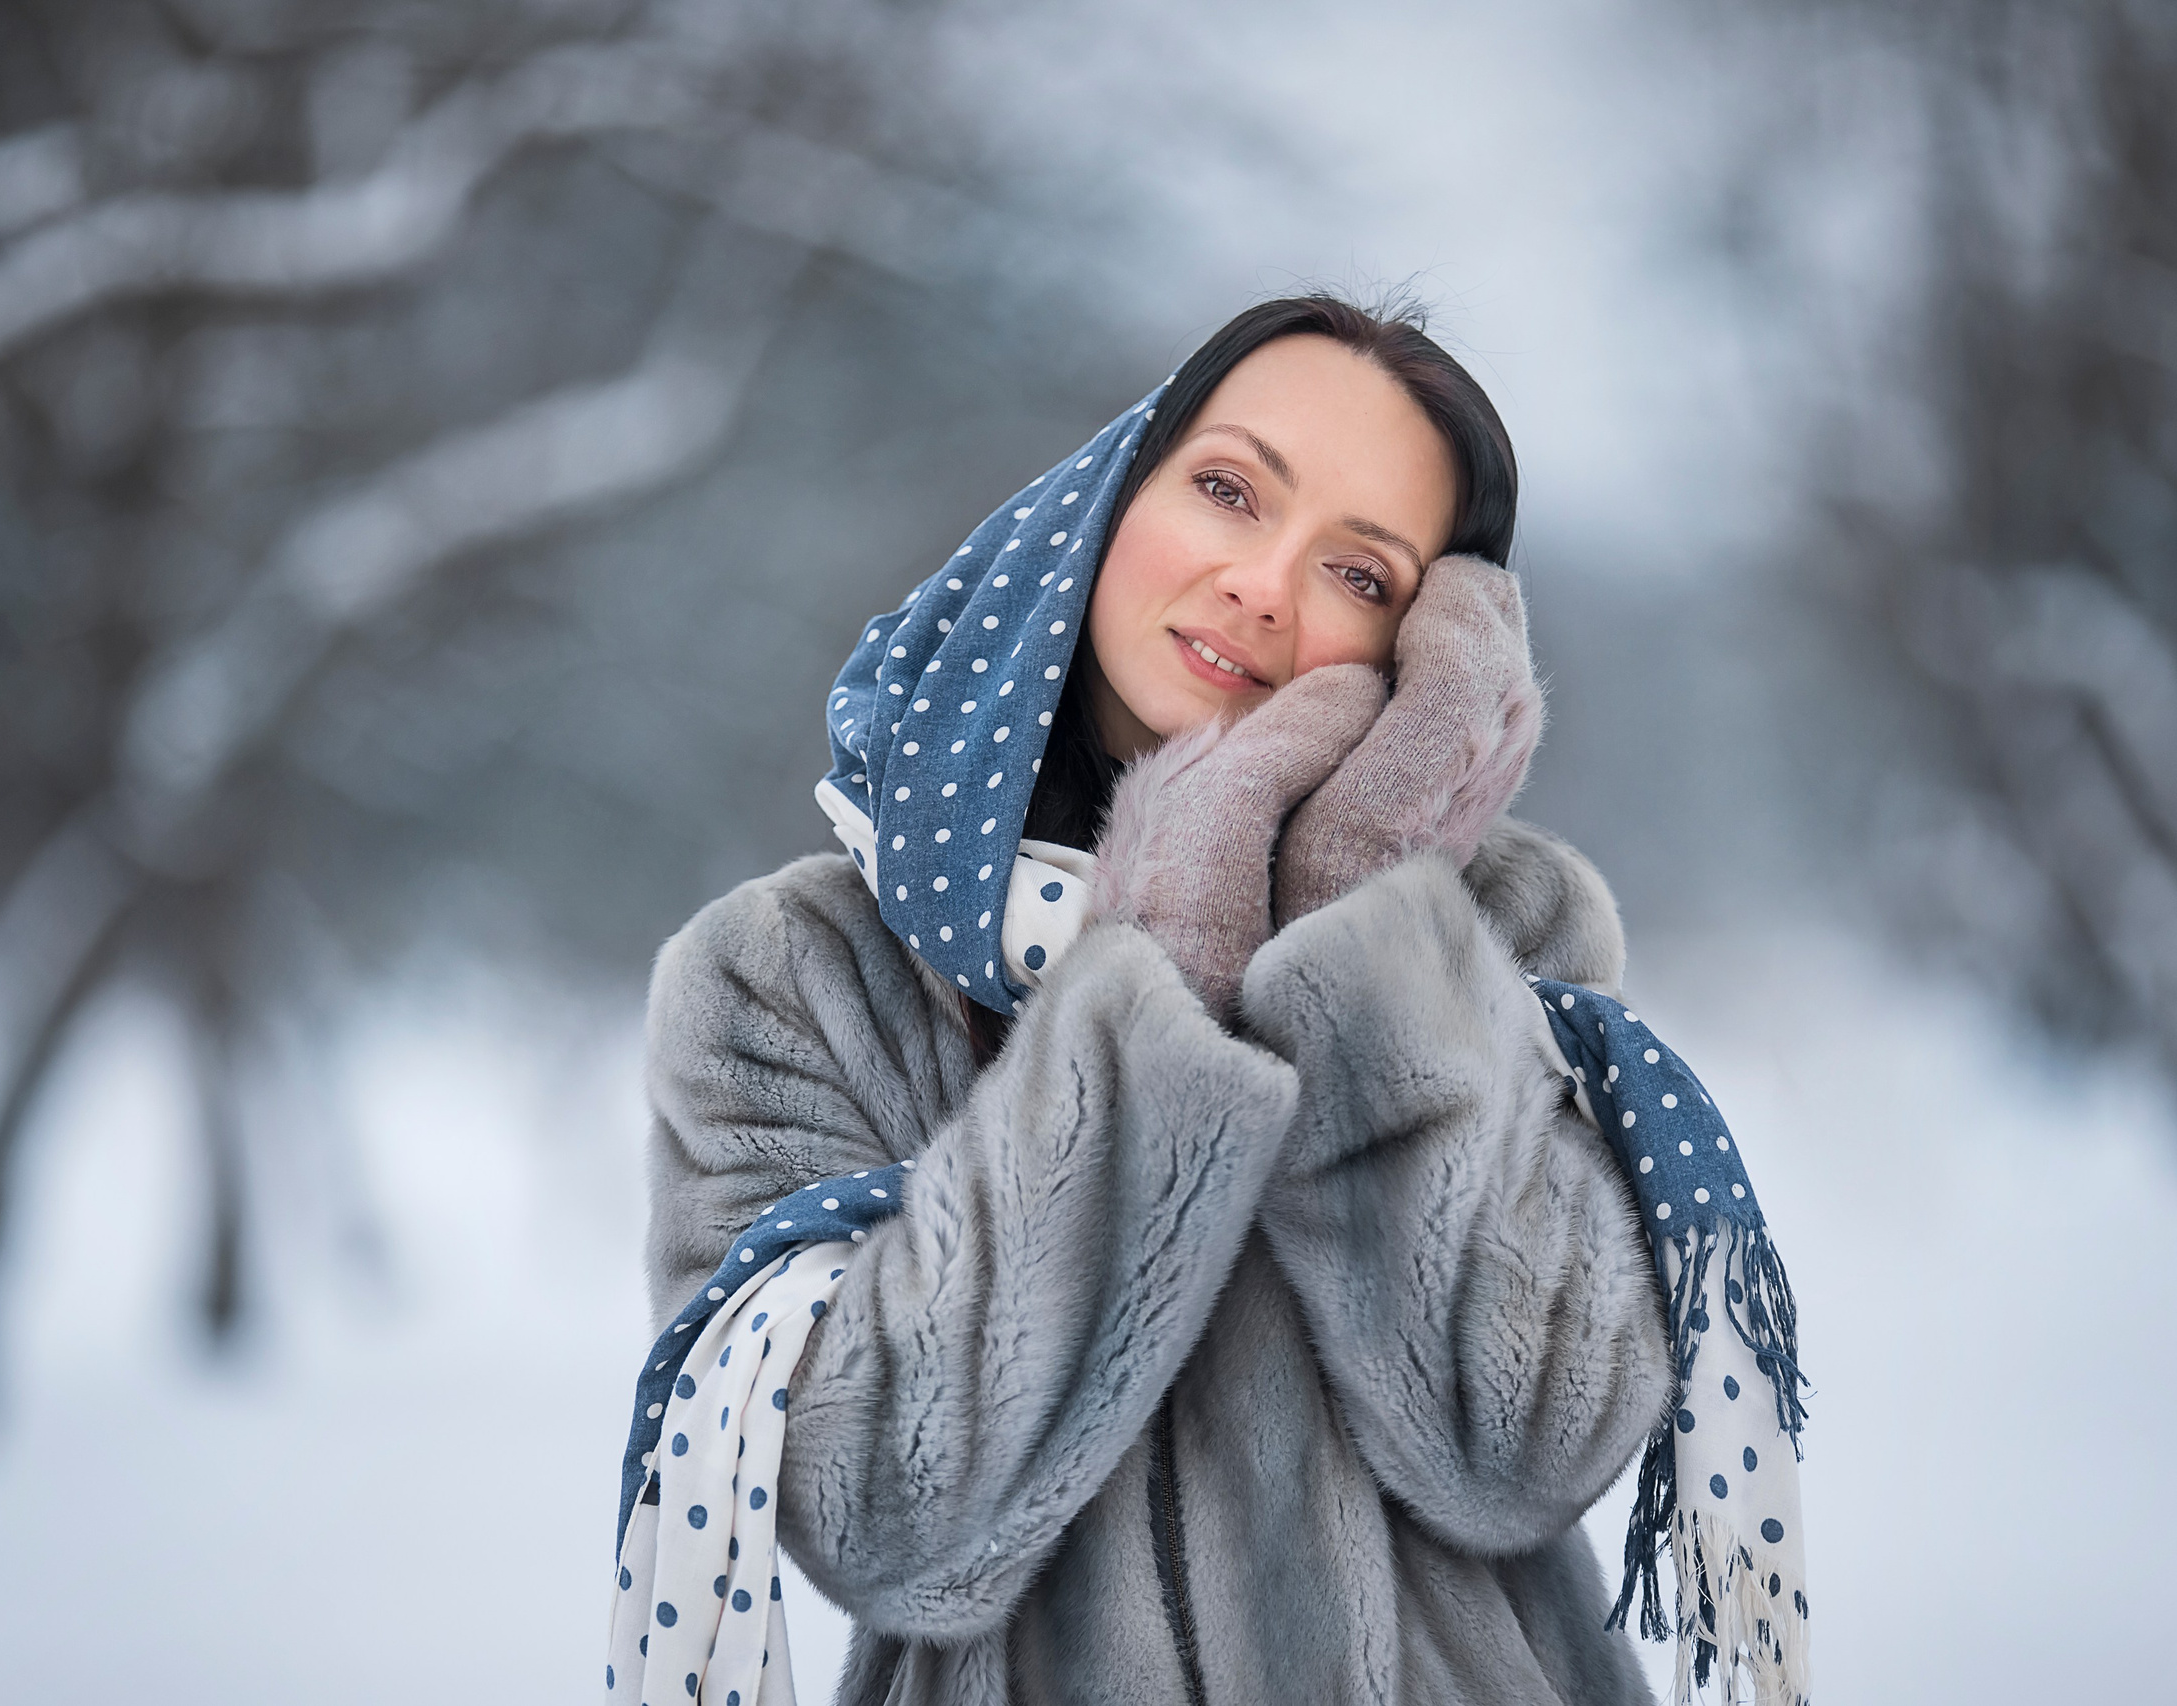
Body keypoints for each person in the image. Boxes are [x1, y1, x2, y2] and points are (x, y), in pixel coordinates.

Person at [640, 296, 1672, 1705]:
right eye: (1229, 489)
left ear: (1430, 648)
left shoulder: (1492, 936)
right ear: (1112, 495)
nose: (1263, 584)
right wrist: (1163, 974)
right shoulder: (794, 976)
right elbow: (880, 1515)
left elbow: (1530, 1440)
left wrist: (1358, 917)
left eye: (1360, 576)